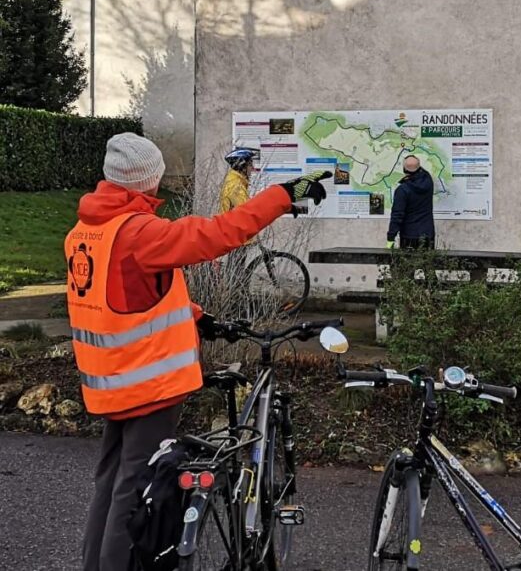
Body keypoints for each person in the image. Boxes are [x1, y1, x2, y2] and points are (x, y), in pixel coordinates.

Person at [66, 132, 329, 571]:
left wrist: (197, 316)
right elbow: (217, 235)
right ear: (148, 180)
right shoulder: (138, 231)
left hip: (111, 381)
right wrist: (283, 195)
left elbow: (131, 294)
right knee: (136, 491)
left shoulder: (89, 230)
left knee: (111, 483)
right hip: (148, 385)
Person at [386, 155, 435, 249]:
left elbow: (397, 215)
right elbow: (422, 171)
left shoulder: (403, 190)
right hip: (428, 234)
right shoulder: (428, 182)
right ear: (419, 167)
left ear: (404, 170)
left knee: (408, 263)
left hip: (409, 236)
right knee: (428, 263)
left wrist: (390, 238)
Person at [219, 146, 258, 213]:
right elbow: (246, 212)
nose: (252, 168)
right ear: (242, 166)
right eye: (250, 164)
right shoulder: (235, 186)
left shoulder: (234, 181)